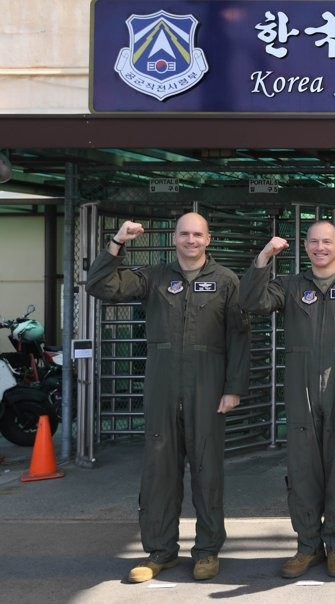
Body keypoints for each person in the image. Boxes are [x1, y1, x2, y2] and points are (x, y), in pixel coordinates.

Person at [86, 213, 250, 583]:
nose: (191, 240)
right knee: (158, 470)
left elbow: (240, 336)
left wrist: (234, 388)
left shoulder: (226, 280)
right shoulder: (153, 276)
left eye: (198, 234)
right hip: (161, 380)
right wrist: (118, 242)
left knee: (207, 470)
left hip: (208, 382)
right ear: (174, 238)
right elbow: (101, 285)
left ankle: (207, 552)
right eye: (184, 234)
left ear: (209, 239)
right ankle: (160, 552)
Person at [239, 221, 335, 579]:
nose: (320, 247)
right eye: (313, 242)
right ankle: (307, 547)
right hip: (300, 380)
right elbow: (251, 301)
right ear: (305, 246)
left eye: (327, 242)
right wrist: (264, 258)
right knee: (302, 466)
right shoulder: (290, 285)